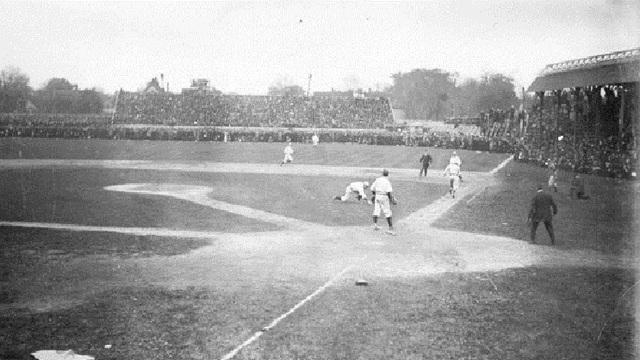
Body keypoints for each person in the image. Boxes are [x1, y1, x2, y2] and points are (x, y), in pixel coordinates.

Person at [370, 169, 397, 235]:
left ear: (382, 174)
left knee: (376, 210)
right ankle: (390, 229)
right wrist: (392, 200)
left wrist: (374, 195)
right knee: (387, 212)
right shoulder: (387, 181)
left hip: (377, 196)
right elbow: (389, 192)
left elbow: (372, 189)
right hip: (384, 197)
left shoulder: (377, 180)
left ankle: (375, 225)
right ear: (388, 174)